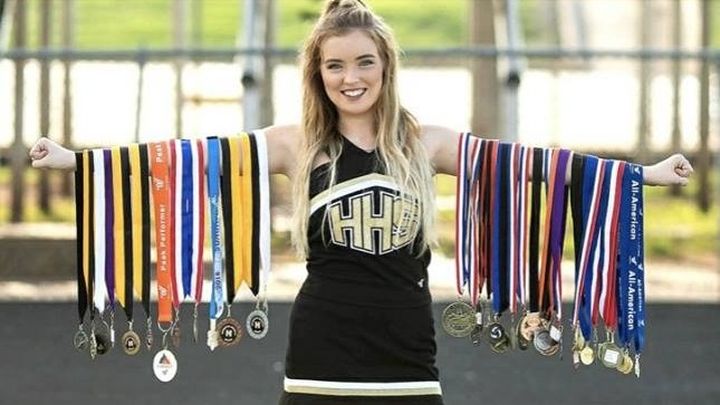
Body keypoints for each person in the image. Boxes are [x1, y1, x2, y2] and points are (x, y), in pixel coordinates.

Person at [29, 0, 693, 404]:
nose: (350, 77)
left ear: (386, 66)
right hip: (322, 351)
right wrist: (77, 161)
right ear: (317, 72)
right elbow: (183, 159)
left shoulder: (426, 143)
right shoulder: (296, 144)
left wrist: (643, 176)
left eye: (364, 62)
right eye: (335, 65)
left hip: (408, 353)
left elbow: (534, 167)